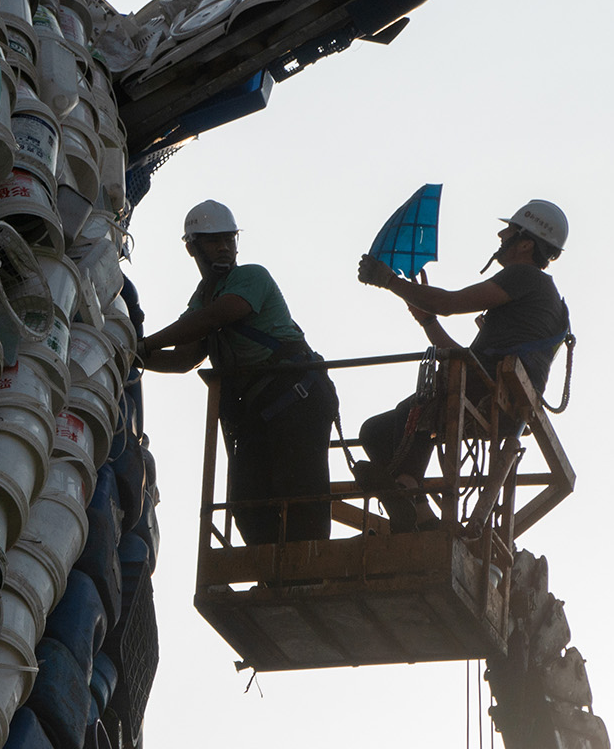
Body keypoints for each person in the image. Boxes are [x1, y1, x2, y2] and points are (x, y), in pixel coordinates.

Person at [354, 199, 572, 531]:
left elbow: (450, 304)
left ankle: (408, 489)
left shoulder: (524, 276)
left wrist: (390, 281)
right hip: (491, 391)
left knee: (407, 415)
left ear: (526, 243)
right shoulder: (541, 298)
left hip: (488, 391)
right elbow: (461, 357)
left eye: (510, 231)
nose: (501, 234)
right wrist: (428, 322)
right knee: (376, 432)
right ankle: (421, 516)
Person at [140, 200, 338, 544]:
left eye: (229, 240)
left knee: (302, 495)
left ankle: (311, 574)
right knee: (247, 505)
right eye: (214, 241)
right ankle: (274, 580)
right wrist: (133, 357)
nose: (224, 248)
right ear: (193, 247)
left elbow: (210, 319)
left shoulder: (250, 277)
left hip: (297, 397)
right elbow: (183, 358)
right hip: (260, 413)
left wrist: (142, 345)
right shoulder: (203, 298)